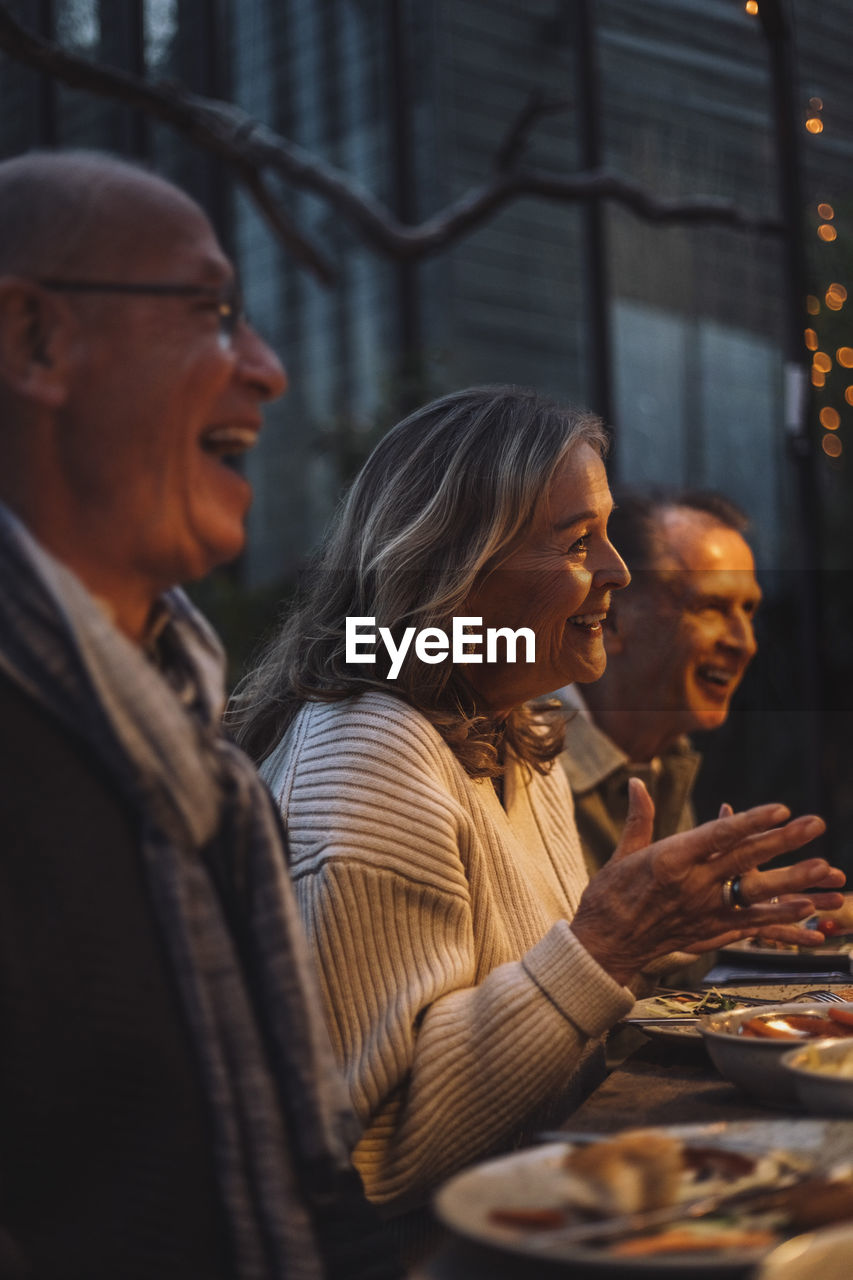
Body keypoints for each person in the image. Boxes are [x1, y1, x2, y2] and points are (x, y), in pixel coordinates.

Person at [228, 385, 844, 1247]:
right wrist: (605, 945)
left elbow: (538, 1016)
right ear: (456, 565)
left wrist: (675, 925)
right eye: (577, 542)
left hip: (550, 1209)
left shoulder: (519, 730)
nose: (616, 574)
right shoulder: (371, 753)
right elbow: (364, 1159)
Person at [0, 150, 399, 1280]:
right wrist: (594, 954)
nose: (267, 370)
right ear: (35, 341)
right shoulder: (362, 748)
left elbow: (313, 1181)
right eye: (215, 313)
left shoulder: (205, 775)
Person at [554, 491, 761, 876]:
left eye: (748, 609)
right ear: (609, 622)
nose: (745, 643)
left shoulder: (665, 757)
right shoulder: (518, 762)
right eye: (711, 607)